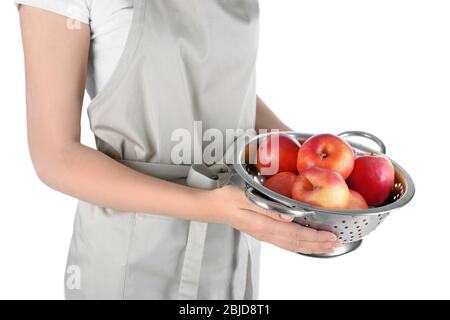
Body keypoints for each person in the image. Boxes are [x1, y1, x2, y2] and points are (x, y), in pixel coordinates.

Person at [17, 0, 340, 300]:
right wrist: (210, 206)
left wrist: (308, 160)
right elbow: (56, 156)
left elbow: (223, 89)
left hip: (231, 245)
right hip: (132, 255)